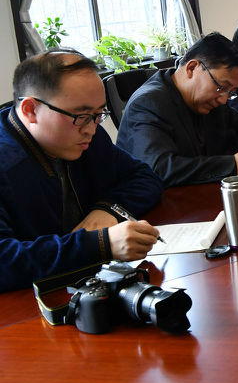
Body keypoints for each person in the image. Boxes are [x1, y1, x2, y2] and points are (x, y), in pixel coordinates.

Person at [0, 50, 163, 292]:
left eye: (99, 114)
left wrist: (107, 210)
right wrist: (100, 244)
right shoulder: (6, 162)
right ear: (30, 110)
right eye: (82, 116)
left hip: (90, 286)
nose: (91, 129)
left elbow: (145, 177)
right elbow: (5, 261)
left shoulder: (88, 136)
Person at [117, 33, 238, 188]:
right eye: (222, 87)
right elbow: (159, 169)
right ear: (192, 68)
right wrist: (236, 163)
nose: (223, 100)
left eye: (230, 92)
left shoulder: (212, 99)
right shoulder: (148, 104)